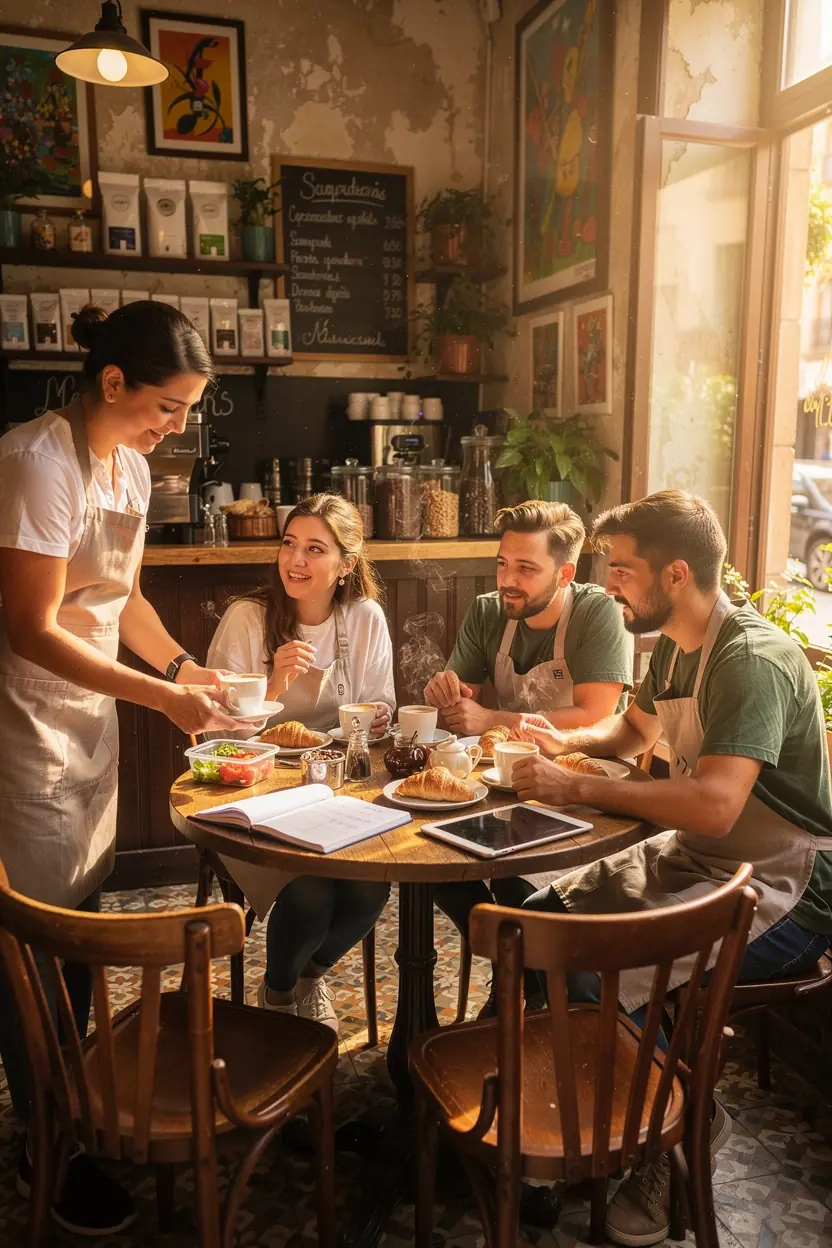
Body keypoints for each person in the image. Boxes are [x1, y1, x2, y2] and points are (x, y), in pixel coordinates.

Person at [509, 490, 832, 1246]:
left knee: (601, 976)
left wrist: (575, 787)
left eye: (621, 569)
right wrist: (567, 747)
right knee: (540, 931)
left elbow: (719, 804)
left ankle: (673, 1130)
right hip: (698, 860)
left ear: (677, 574)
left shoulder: (749, 658)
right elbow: (630, 731)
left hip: (782, 882)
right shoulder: (674, 645)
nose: (607, 583)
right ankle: (573, 1130)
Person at [0, 300, 244, 1237]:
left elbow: (125, 599)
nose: (176, 426)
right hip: (24, 729)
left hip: (90, 724)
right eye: (168, 406)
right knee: (32, 949)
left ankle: (76, 1110)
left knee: (81, 931)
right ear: (113, 383)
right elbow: (32, 626)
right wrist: (163, 702)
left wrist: (184, 668)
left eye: (185, 410)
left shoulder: (133, 468)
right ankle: (46, 1146)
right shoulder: (34, 462)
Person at [423, 500, 633, 1014]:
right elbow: (461, 708)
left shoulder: (597, 612)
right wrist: (446, 693)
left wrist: (491, 719)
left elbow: (597, 715)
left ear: (564, 573)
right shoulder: (488, 611)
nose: (507, 580)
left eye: (525, 568)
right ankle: (513, 971)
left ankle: (517, 992)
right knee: (429, 866)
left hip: (582, 791)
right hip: (500, 789)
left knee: (518, 887)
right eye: (502, 563)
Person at [207, 493, 395, 1032]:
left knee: (369, 889)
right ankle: (279, 993)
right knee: (310, 893)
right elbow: (215, 732)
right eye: (289, 544)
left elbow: (381, 704)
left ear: (346, 566)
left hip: (334, 790)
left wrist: (376, 718)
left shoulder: (365, 618)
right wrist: (273, 687)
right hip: (249, 792)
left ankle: (312, 975)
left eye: (316, 549)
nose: (296, 560)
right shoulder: (248, 618)